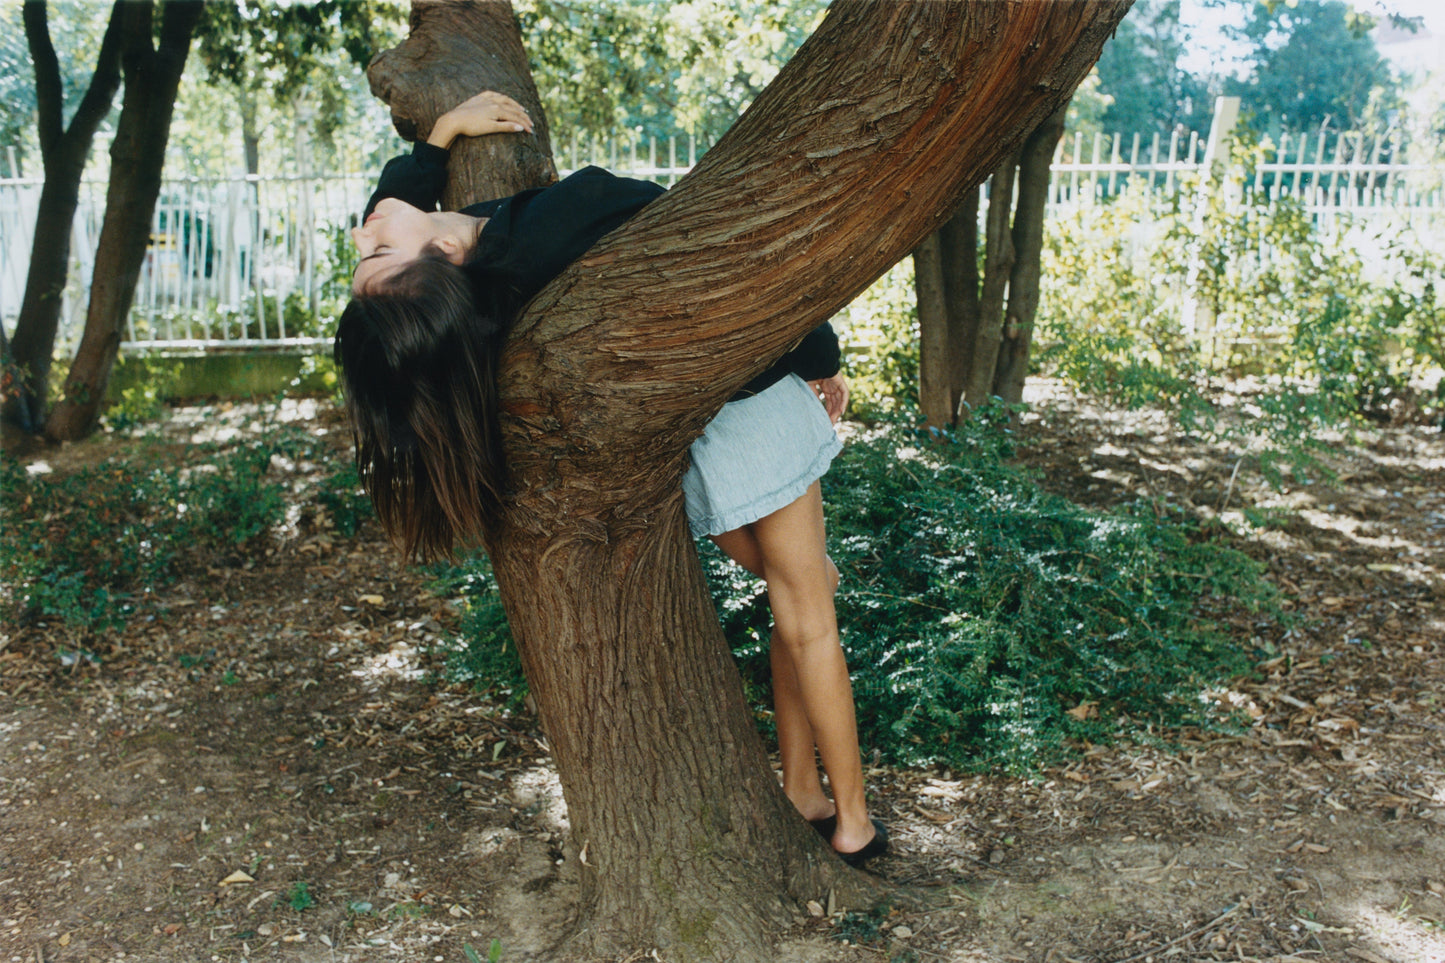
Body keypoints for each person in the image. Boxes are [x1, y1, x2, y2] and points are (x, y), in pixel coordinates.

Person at [335, 91, 888, 866]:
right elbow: (720, 254)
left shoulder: (453, 287)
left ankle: (801, 788)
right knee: (810, 609)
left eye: (363, 251)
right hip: (748, 406)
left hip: (690, 436)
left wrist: (436, 141)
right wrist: (818, 351)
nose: (365, 232)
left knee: (802, 594)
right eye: (375, 251)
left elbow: (390, 218)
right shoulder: (550, 233)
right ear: (442, 261)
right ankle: (855, 822)